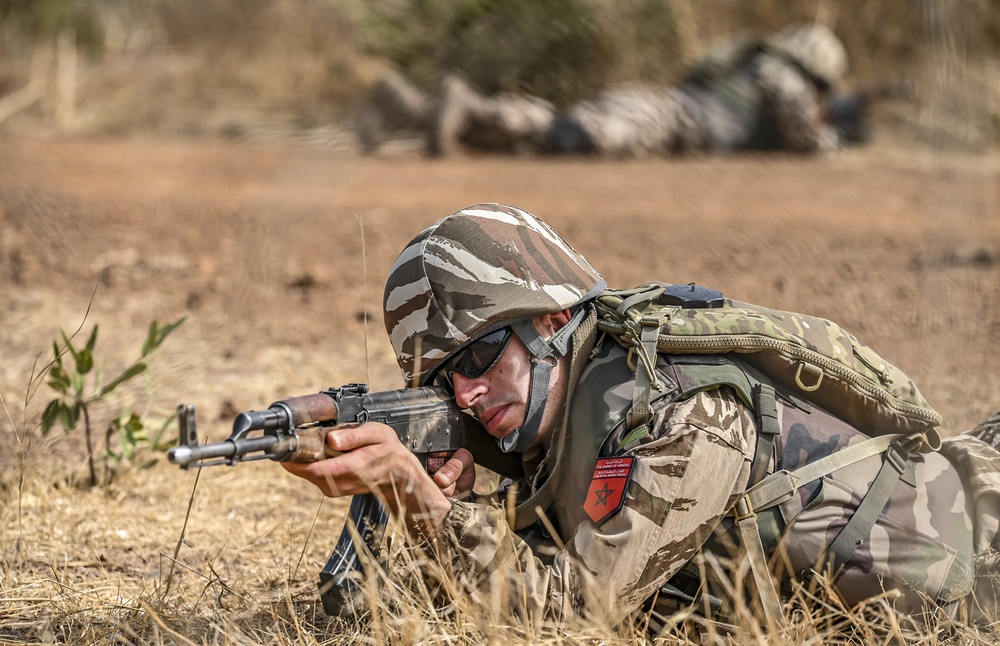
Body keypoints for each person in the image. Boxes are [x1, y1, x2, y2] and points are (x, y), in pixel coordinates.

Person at [283, 203, 1000, 633]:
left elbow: (569, 616)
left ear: (554, 320)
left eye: (478, 358)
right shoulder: (553, 413)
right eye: (442, 380)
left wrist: (424, 501)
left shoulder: (686, 413)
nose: (465, 396)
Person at [542, 22, 848, 156]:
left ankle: (506, 118)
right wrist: (838, 138)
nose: (813, 92)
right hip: (668, 119)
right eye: (818, 85)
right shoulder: (783, 74)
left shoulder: (754, 60)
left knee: (558, 126)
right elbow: (806, 138)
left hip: (658, 105)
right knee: (576, 135)